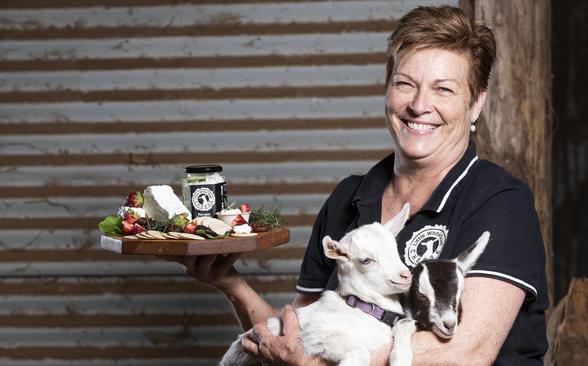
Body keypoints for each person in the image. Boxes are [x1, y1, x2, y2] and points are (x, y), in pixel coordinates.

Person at [177, 5, 548, 366]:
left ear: (476, 103)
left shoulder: (500, 203)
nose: (420, 105)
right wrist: (232, 283)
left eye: (444, 90)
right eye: (405, 83)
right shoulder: (348, 198)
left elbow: (466, 353)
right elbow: (301, 337)